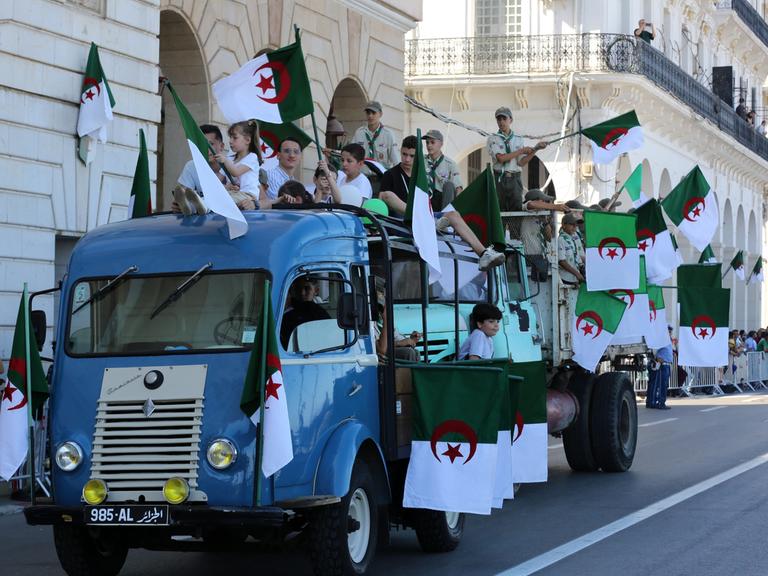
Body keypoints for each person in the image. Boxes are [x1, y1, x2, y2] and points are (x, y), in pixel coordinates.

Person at [486, 106, 547, 211]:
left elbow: (521, 162)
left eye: (504, 119)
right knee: (500, 210)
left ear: (511, 120)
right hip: (500, 178)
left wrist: (536, 149)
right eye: (499, 119)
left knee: (516, 209)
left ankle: (515, 228)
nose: (501, 122)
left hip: (515, 178)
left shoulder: (518, 139)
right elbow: (501, 158)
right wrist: (521, 151)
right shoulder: (493, 138)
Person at [210, 120, 263, 209]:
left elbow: (236, 172)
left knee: (220, 201)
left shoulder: (252, 157)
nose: (230, 141)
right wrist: (226, 186)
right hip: (233, 194)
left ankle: (204, 206)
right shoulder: (230, 158)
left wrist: (225, 161)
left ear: (247, 140)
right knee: (214, 197)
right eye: (230, 137)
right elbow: (217, 180)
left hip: (247, 196)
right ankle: (194, 205)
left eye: (234, 138)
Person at [519, 189, 570, 280]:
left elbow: (549, 237)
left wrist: (545, 221)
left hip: (540, 255)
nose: (545, 203)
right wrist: (554, 206)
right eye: (543, 201)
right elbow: (531, 204)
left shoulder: (541, 216)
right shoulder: (525, 209)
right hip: (527, 255)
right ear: (536, 200)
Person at [280, 277, 331, 350]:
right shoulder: (287, 316)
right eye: (298, 288)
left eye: (307, 288)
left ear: (316, 291)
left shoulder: (321, 314)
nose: (302, 293)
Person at [351, 101, 400, 169]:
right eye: (368, 113)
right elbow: (351, 154)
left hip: (382, 176)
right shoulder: (359, 133)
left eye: (373, 113)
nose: (370, 116)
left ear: (380, 114)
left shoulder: (388, 134)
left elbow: (396, 160)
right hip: (363, 176)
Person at [422, 130, 463, 210]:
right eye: (427, 143)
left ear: (441, 144)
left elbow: (459, 188)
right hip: (425, 197)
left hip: (442, 200)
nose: (429, 145)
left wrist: (456, 208)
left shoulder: (450, 164)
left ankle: (446, 215)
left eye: (432, 142)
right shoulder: (421, 160)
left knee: (449, 185)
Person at [259, 137, 303, 204]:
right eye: (287, 151)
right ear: (278, 155)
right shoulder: (269, 176)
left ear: (300, 157)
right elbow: (281, 202)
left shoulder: (294, 181)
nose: (292, 155)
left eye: (296, 152)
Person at [379, 135, 417, 209]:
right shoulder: (389, 175)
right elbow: (381, 201)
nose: (407, 159)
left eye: (412, 156)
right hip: (395, 218)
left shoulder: (422, 176)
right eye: (404, 154)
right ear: (401, 151)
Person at [558, 213, 585, 285]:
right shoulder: (561, 239)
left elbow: (579, 255)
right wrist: (576, 274)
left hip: (576, 277)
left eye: (576, 225)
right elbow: (561, 261)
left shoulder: (574, 237)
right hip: (566, 278)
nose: (575, 227)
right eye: (572, 225)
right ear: (564, 225)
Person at [647, 338, 673, 409]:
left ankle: (653, 402)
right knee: (661, 385)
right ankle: (659, 403)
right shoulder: (662, 339)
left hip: (665, 364)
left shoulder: (666, 340)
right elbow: (654, 350)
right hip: (662, 364)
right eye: (669, 331)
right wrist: (657, 358)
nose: (670, 334)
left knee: (660, 384)